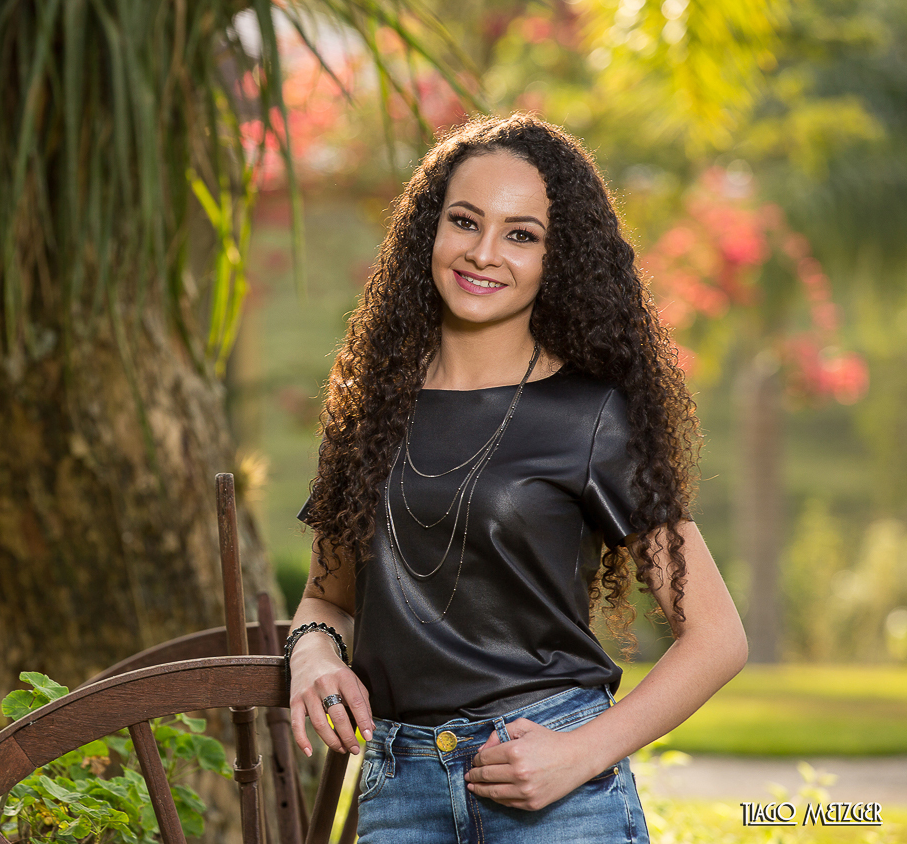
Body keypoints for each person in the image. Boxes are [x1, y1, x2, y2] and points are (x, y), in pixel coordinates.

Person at [285, 114, 748, 844]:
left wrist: (580, 753)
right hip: (398, 788)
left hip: (554, 790)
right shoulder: (369, 410)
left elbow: (717, 638)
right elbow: (326, 597)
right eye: (464, 221)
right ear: (427, 233)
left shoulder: (592, 415)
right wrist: (311, 653)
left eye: (521, 234)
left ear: (556, 257)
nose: (484, 253)